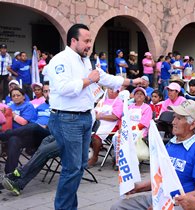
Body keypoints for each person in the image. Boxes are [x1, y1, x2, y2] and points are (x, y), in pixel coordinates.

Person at [46, 24, 143, 210]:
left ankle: (68, 206)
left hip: (83, 118)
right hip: (67, 119)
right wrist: (89, 79)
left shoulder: (85, 60)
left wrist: (131, 81)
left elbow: (104, 78)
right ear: (74, 41)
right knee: (71, 168)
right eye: (86, 41)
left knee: (79, 166)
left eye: (90, 41)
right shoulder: (60, 60)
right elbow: (64, 88)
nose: (89, 45)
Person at [111, 100, 195, 210]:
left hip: (184, 203)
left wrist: (165, 205)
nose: (173, 122)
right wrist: (137, 187)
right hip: (162, 196)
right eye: (174, 117)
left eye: (179, 118)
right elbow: (160, 178)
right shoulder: (171, 144)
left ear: (192, 124)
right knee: (118, 207)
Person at [0, 82, 51, 174]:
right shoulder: (40, 107)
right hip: (33, 136)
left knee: (33, 126)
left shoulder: (59, 107)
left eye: (49, 91)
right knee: (14, 139)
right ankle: (9, 174)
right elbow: (34, 118)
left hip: (48, 134)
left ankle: (4, 135)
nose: (48, 93)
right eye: (46, 91)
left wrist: (47, 125)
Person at [88, 88, 123, 167]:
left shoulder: (119, 102)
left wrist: (101, 116)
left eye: (113, 90)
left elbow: (115, 117)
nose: (111, 91)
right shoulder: (102, 101)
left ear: (117, 92)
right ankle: (88, 154)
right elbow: (95, 111)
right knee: (87, 132)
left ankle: (95, 157)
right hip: (99, 122)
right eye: (110, 89)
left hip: (112, 125)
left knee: (96, 136)